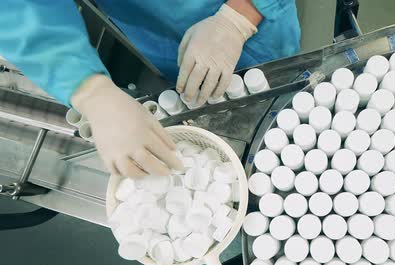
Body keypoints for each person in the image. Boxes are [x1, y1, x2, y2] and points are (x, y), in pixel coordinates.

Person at [0, 0, 300, 178]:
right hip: (155, 25)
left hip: (249, 20)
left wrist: (241, 15)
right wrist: (89, 89)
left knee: (282, 93)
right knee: (197, 85)